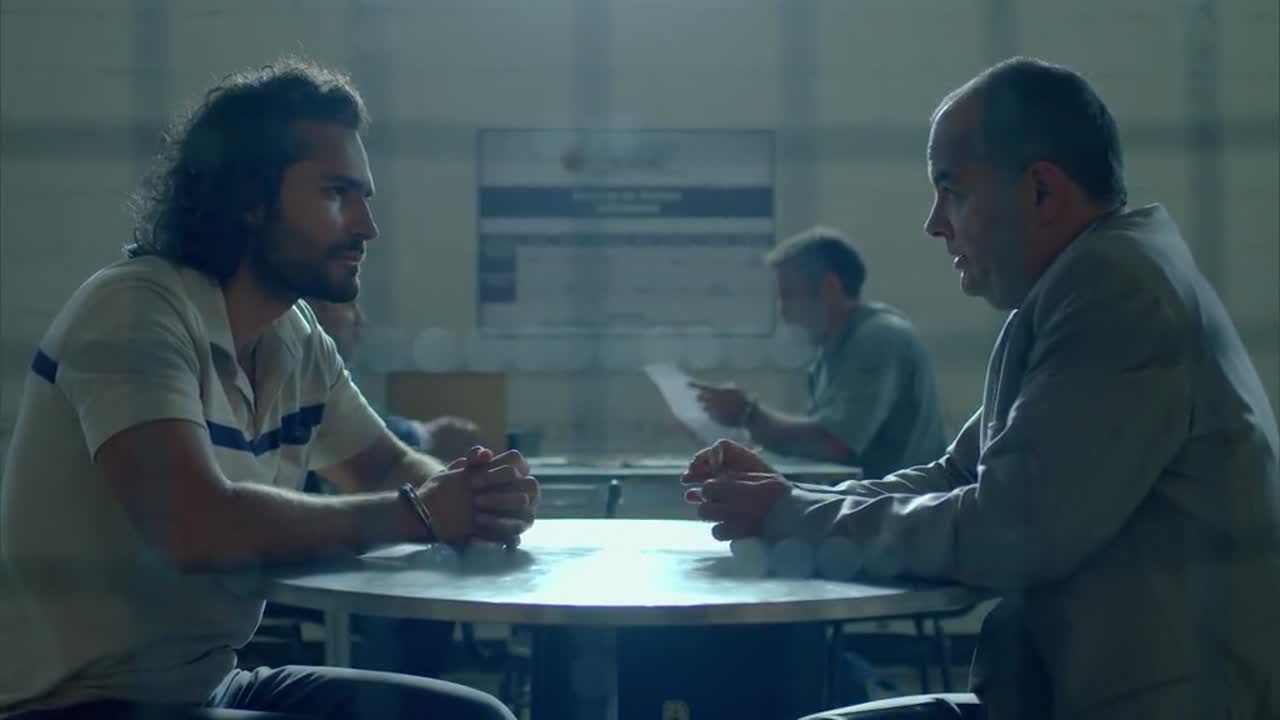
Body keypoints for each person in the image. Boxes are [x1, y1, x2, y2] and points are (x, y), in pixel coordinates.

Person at [681, 57, 1280, 720]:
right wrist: (787, 497)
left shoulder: (1115, 290)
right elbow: (958, 474)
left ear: (1042, 192)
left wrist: (792, 516)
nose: (934, 223)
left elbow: (1009, 531)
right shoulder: (1075, 286)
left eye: (953, 190)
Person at [0, 59, 538, 720]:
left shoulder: (295, 333)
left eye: (366, 197)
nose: (366, 226)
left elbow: (386, 468)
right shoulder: (134, 310)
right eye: (337, 193)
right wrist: (419, 512)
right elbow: (192, 525)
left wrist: (476, 497)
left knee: (473, 717)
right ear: (249, 200)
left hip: (207, 685)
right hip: (76, 705)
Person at [690, 226, 948, 478]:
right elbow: (815, 446)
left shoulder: (879, 339)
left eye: (789, 296)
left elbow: (834, 444)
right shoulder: (831, 352)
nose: (783, 313)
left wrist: (749, 415)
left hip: (903, 504)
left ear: (830, 287)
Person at [307, 298, 481, 465]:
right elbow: (361, 441)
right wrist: (424, 436)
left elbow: (364, 420)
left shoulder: (330, 376)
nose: (361, 320)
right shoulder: (310, 384)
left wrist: (421, 432)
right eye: (350, 306)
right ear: (317, 306)